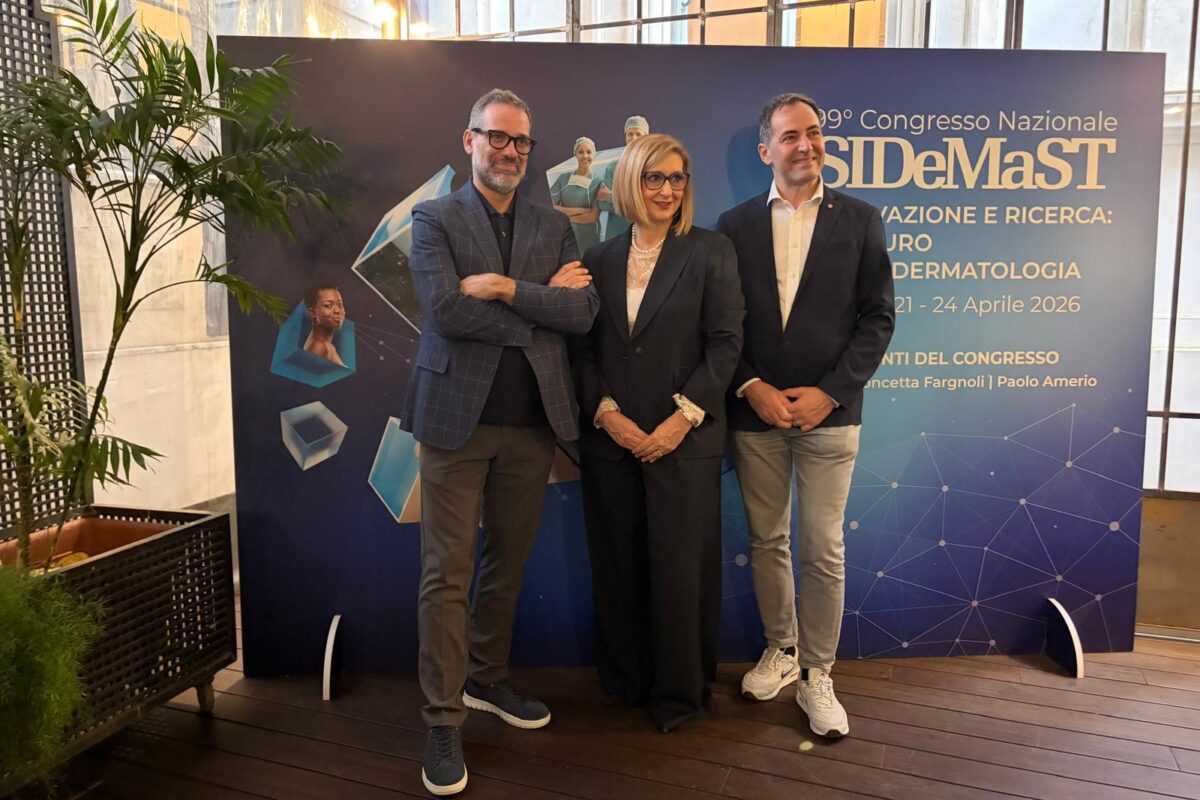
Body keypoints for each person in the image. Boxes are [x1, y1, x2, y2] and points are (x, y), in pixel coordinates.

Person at [402, 88, 600, 796]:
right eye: (497, 137)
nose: (510, 151)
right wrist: (541, 304)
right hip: (453, 424)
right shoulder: (434, 218)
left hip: (532, 425)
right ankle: (442, 720)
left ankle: (485, 680)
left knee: (506, 565)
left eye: (520, 141)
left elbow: (583, 311)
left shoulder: (552, 223)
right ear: (470, 140)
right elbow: (447, 311)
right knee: (446, 575)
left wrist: (506, 288)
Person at [717, 92, 894, 740]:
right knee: (767, 541)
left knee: (822, 547)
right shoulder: (733, 225)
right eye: (790, 136)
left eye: (813, 133)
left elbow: (878, 319)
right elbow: (721, 324)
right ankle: (782, 651)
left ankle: (819, 673)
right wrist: (750, 385)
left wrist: (831, 392)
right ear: (766, 150)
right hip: (756, 415)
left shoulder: (861, 220)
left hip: (831, 417)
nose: (805, 145)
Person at [573, 133, 743, 733]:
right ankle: (627, 680)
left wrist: (680, 420)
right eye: (655, 177)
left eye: (677, 178)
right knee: (618, 566)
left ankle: (679, 693)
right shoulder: (597, 259)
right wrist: (608, 416)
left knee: (679, 572)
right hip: (611, 442)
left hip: (685, 441)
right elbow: (582, 351)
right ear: (630, 182)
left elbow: (726, 344)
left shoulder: (711, 250)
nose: (668, 189)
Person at [597, 115, 649, 241]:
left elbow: (647, 203)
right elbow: (602, 204)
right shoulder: (613, 167)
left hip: (644, 233)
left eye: (638, 134)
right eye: (630, 134)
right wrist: (633, 201)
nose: (633, 138)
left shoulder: (652, 167)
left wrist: (610, 196)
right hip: (616, 234)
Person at [551, 136, 602, 251]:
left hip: (588, 237)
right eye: (580, 152)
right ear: (575, 154)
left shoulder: (597, 182)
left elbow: (592, 217)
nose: (585, 156)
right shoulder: (563, 178)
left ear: (594, 154)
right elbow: (552, 206)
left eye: (589, 152)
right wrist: (581, 210)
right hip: (566, 235)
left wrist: (566, 217)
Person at [302, 284, 346, 365]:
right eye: (328, 306)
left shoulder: (325, 345)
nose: (337, 311)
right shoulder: (319, 347)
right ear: (312, 312)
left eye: (340, 305)